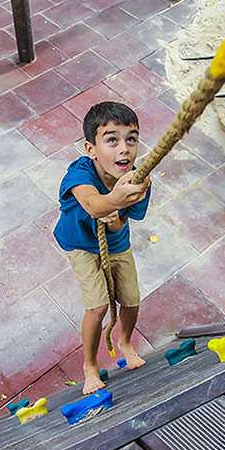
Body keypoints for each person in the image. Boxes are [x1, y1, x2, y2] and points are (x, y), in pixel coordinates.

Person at [53, 101, 152, 394]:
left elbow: (130, 218)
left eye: (131, 139)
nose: (124, 149)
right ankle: (90, 365)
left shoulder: (138, 177)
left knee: (131, 299)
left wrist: (116, 220)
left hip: (116, 242)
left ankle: (123, 341)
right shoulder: (79, 173)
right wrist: (114, 200)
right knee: (97, 306)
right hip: (80, 243)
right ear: (91, 148)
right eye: (111, 140)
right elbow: (93, 204)